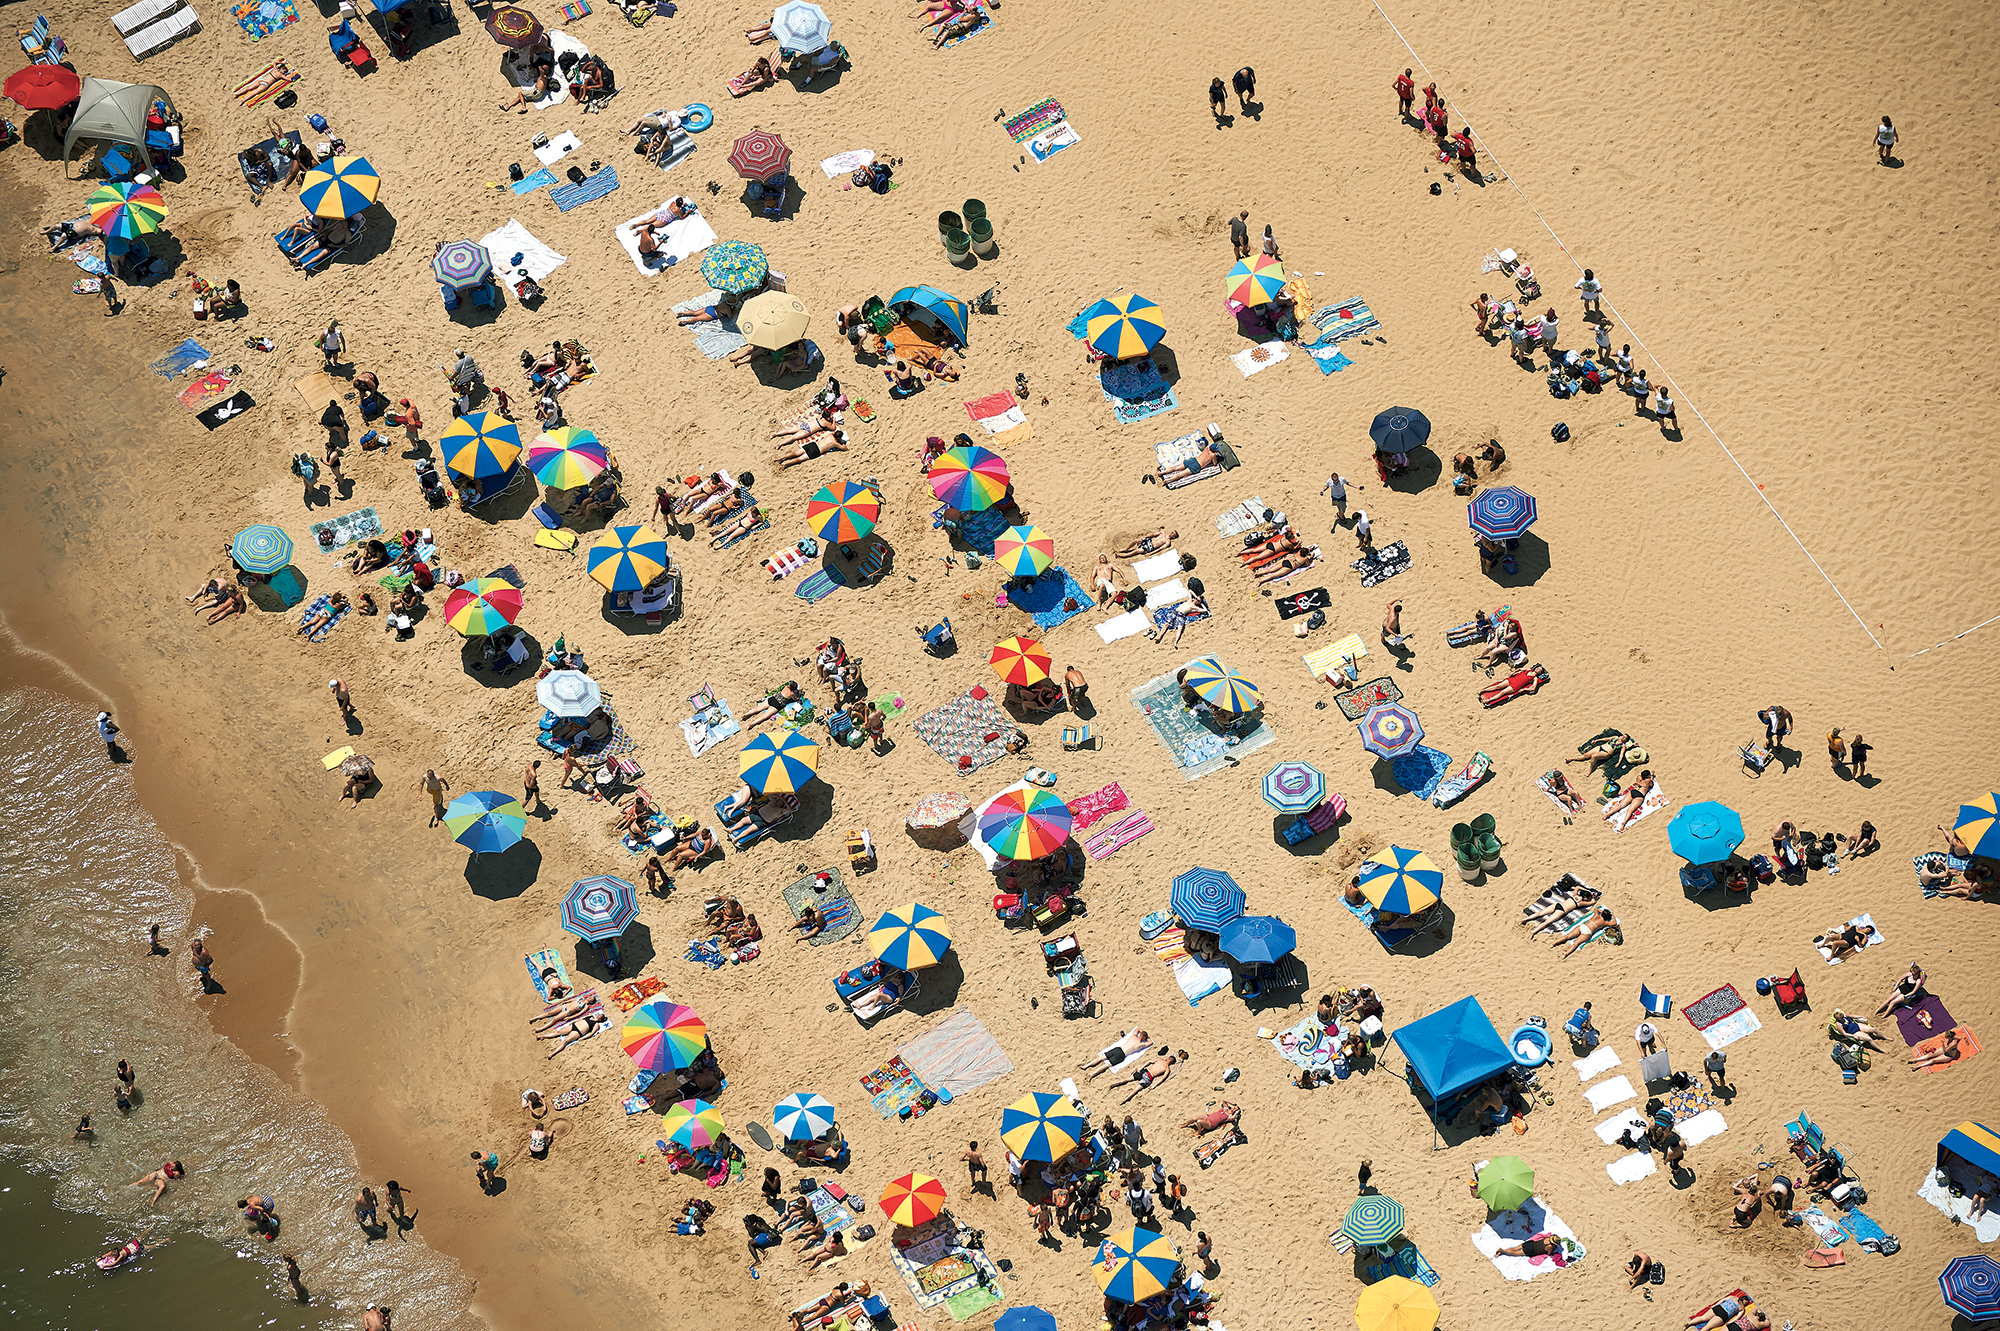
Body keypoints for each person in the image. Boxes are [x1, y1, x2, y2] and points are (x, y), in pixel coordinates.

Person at [1113, 1049, 1182, 1104]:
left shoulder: (1160, 1060)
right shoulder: (1167, 1069)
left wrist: (1141, 1067)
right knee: (1135, 1090)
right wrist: (1154, 1085)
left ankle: (1115, 1084)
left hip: (1145, 1071)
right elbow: (1162, 1078)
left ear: (1168, 1058)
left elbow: (1149, 1061)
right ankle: (1126, 1099)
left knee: (1127, 1079)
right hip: (1149, 1077)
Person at [1080, 1027, 1150, 1077]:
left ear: (1140, 1035)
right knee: (1106, 1065)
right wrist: (1147, 1037)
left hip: (1118, 1049)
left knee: (1100, 1058)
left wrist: (1141, 1031)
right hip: (1122, 1055)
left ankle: (1086, 1066)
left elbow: (1137, 1029)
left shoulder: (1133, 1036)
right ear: (1144, 1038)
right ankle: (1091, 1074)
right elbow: (1150, 1043)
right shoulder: (1140, 1044)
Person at [1550, 907, 1618, 956]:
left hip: (1583, 927)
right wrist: (1613, 915)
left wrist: (1601, 911)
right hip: (1587, 932)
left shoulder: (1596, 915)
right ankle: (1565, 954)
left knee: (1568, 936)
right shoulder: (1604, 922)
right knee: (1576, 944)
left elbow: (1596, 909)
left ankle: (1554, 943)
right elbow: (1614, 923)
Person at [775, 431, 848, 468]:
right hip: (816, 450)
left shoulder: (830, 435)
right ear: (838, 438)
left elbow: (834, 432)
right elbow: (845, 448)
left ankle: (781, 458)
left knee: (796, 453)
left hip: (813, 444)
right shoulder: (835, 443)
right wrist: (840, 441)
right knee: (800, 459)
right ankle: (786, 464)